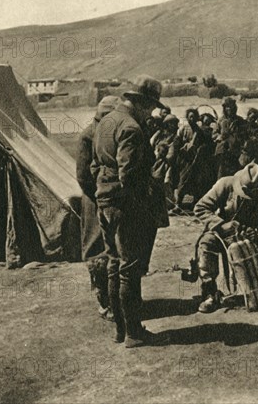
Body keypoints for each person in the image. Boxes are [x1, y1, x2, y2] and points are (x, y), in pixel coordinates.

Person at [91, 75, 165, 348]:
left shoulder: (106, 121)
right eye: (150, 107)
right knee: (130, 268)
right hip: (125, 205)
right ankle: (134, 332)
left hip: (104, 201)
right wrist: (141, 202)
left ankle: (120, 330)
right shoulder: (132, 128)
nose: (151, 113)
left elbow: (95, 166)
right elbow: (129, 175)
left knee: (113, 263)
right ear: (141, 103)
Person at [193, 163, 258, 313]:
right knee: (206, 243)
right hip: (221, 233)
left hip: (250, 237)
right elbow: (200, 208)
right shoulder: (225, 184)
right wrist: (221, 225)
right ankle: (209, 292)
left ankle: (256, 288)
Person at [76, 95, 121, 320]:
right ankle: (103, 299)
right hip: (94, 201)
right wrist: (100, 192)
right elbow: (83, 175)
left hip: (109, 199)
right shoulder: (89, 134)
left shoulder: (108, 133)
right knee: (97, 251)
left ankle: (116, 298)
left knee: (114, 248)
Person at [214, 97, 247, 178]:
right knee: (222, 177)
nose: (229, 109)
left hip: (236, 152)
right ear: (224, 108)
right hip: (223, 153)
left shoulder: (240, 121)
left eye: (231, 106)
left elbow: (245, 136)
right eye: (227, 107)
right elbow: (214, 134)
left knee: (236, 176)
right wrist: (220, 137)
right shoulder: (220, 121)